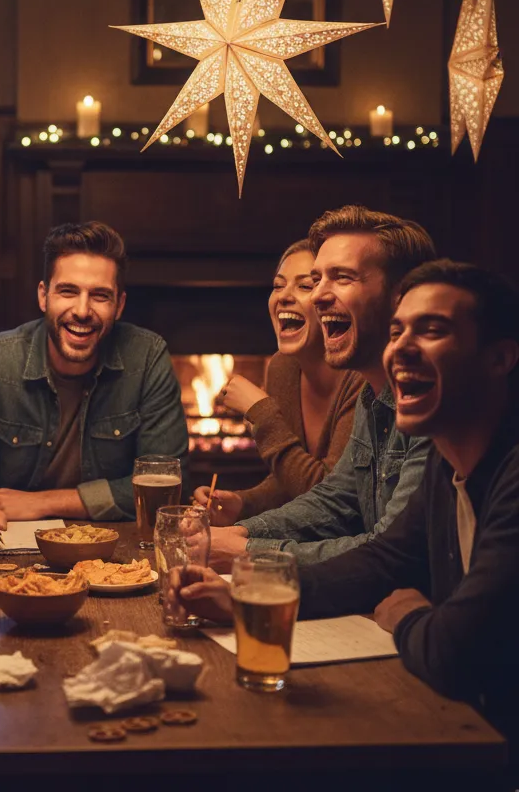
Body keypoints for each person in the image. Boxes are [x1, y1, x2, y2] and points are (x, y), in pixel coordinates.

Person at [167, 262, 519, 751]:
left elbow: (454, 650)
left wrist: (410, 616)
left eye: (433, 330)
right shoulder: (447, 457)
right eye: (399, 331)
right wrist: (242, 602)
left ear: (500, 358)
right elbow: (383, 560)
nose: (403, 347)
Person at [0, 221, 188, 550]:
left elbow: (167, 480)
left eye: (100, 296)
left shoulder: (147, 357)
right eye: (68, 291)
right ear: (43, 296)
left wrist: (45, 502)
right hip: (8, 551)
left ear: (119, 305)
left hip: (116, 553)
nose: (82, 311)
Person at [205, 206, 437, 571]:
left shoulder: (434, 401)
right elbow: (336, 500)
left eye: (341, 277)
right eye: (318, 279)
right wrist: (242, 532)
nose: (315, 297)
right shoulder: (372, 395)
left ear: (402, 295)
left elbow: (396, 552)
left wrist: (248, 554)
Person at [192, 239, 366, 521]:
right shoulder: (282, 367)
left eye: (304, 286)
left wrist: (261, 411)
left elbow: (330, 498)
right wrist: (241, 503)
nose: (284, 296)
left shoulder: (362, 379)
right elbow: (289, 480)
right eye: (278, 285)